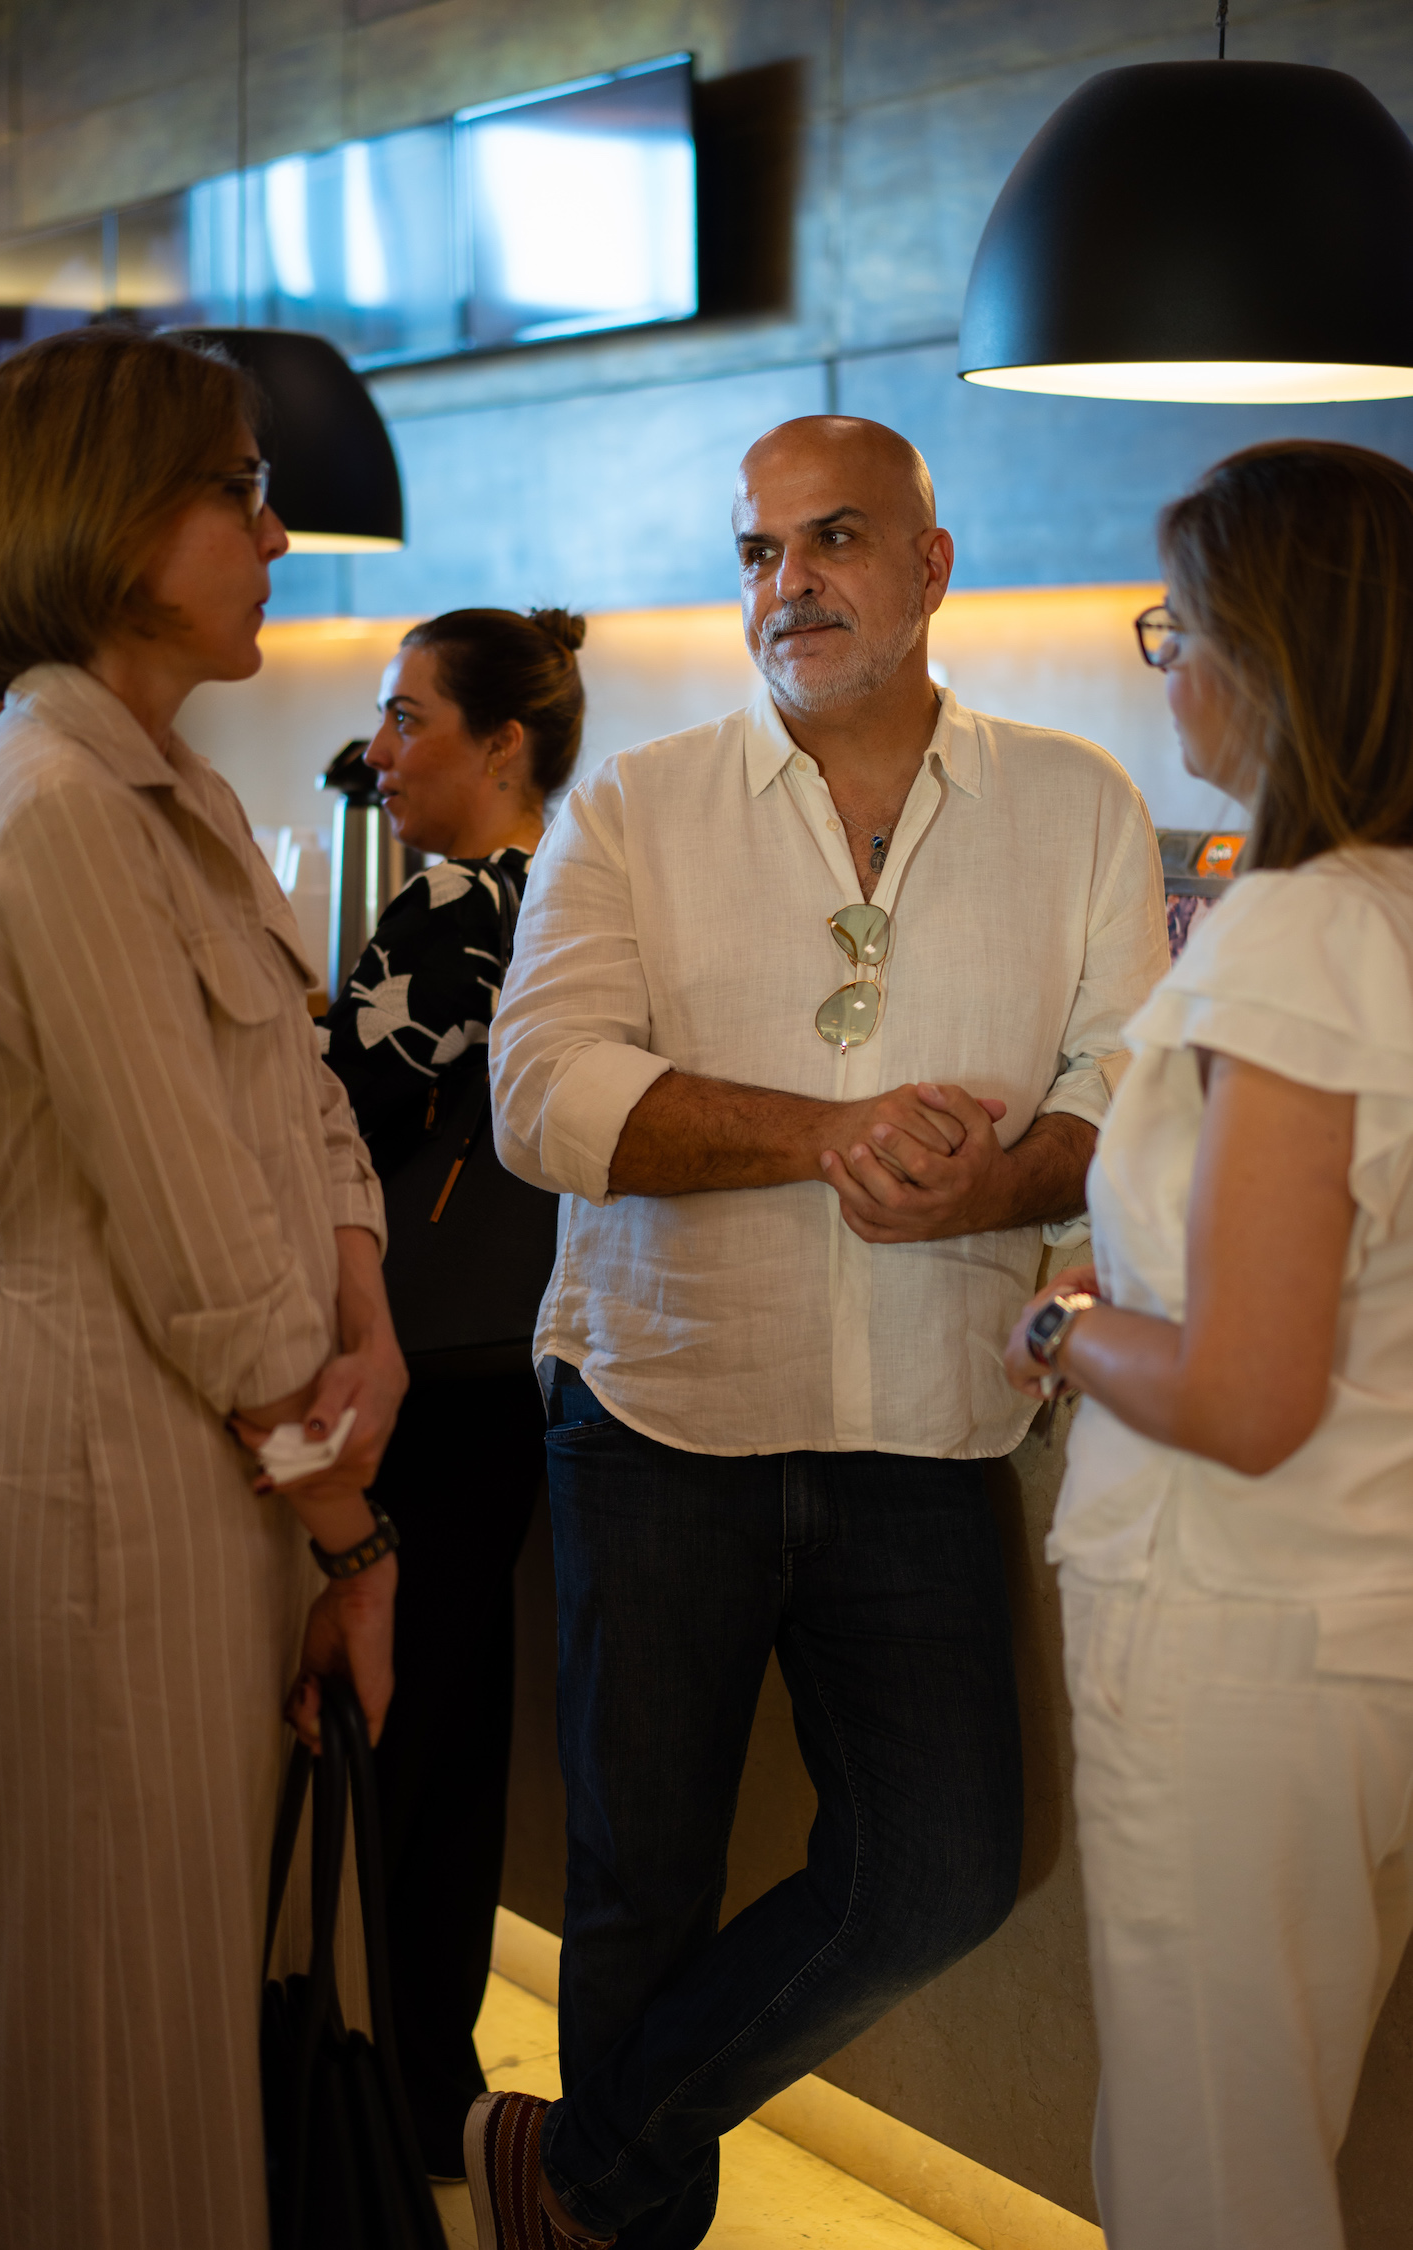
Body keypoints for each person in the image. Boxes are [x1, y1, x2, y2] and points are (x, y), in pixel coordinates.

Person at [472, 413, 1169, 2250]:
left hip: (930, 1428)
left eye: (835, 538)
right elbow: (540, 1094)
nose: (790, 583)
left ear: (932, 565)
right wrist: (829, 1136)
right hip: (660, 1414)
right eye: (759, 552)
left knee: (941, 1869)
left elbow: (1134, 1087)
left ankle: (582, 2169)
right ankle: (625, 2220)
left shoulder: (1080, 799)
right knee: (640, 1889)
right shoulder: (636, 804)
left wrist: (1001, 1179)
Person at [0, 327, 406, 2250]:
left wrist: (365, 1306)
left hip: (238, 1468)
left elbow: (300, 1104)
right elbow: (199, 1258)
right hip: (121, 1482)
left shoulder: (162, 788)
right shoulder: (52, 805)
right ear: (114, 521)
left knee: (205, 2008)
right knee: (128, 2054)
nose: (274, 536)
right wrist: (353, 1535)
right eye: (242, 492)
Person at [1003, 439, 1413, 2250]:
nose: (1166, 666)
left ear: (1270, 649)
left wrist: (1063, 1323)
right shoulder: (1391, 913)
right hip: (1355, 1632)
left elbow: (1244, 1391)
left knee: (1208, 2183)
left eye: (1177, 627)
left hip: (1232, 1634)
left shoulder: (1301, 935)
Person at [319, 605, 585, 2178]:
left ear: (503, 745)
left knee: (390, 1736)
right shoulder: (566, 897)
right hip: (514, 1368)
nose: (379, 751)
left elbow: (324, 1123)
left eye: (409, 718)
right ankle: (429, 2074)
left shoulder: (452, 906)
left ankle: (360, 2075)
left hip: (417, 1367)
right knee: (460, 1730)